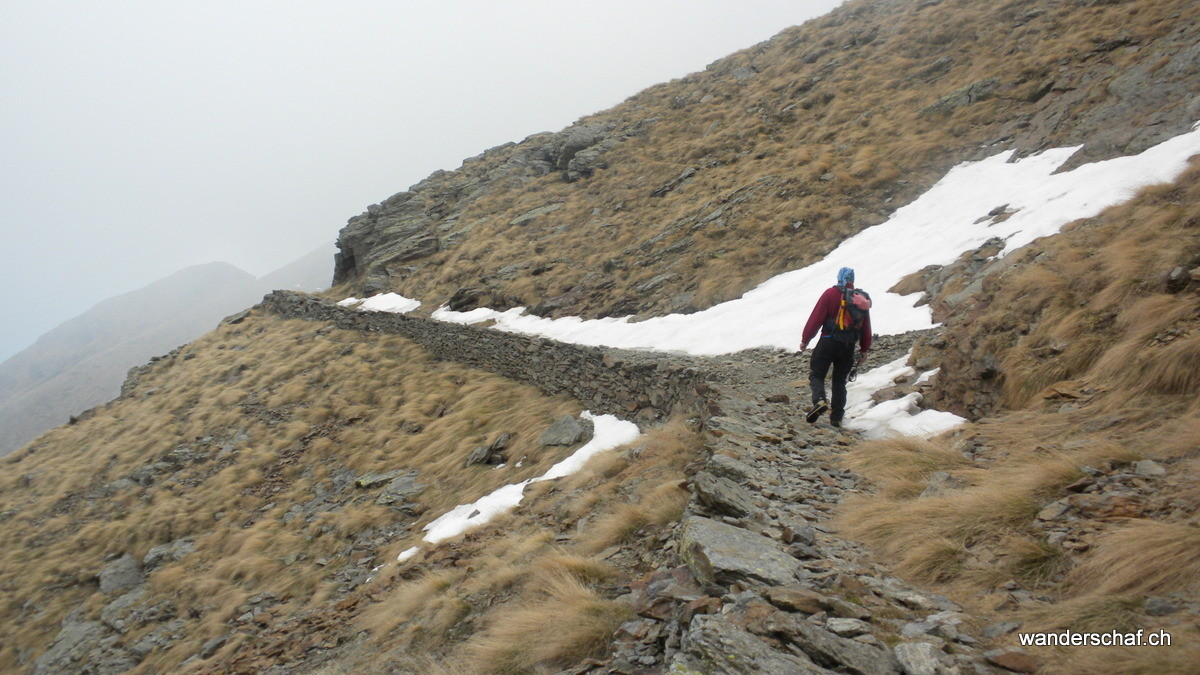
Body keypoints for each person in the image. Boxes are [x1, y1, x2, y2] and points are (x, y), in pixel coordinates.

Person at [799, 267, 872, 428]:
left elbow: (816, 318)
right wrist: (864, 349)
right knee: (839, 381)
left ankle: (820, 401)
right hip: (848, 346)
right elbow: (865, 327)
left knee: (817, 374)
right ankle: (837, 417)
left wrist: (806, 339)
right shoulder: (861, 299)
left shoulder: (830, 294)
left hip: (828, 341)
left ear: (839, 277)